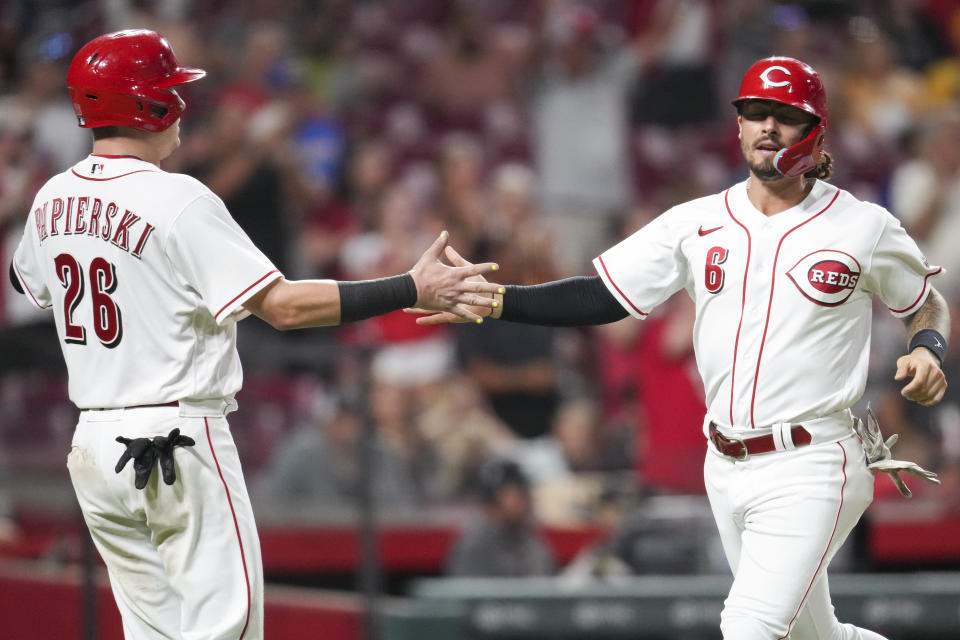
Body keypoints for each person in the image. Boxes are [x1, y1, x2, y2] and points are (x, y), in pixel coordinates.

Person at [414, 57, 949, 639]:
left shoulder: (861, 225)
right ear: (738, 124)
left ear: (815, 130)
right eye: (754, 113)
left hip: (815, 458)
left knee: (747, 627)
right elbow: (600, 298)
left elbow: (925, 300)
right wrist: (492, 300)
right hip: (725, 463)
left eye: (784, 116)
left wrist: (927, 347)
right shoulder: (696, 222)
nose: (766, 127)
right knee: (815, 637)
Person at [7, 30, 501, 640]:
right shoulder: (178, 200)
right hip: (175, 438)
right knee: (227, 632)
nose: (182, 105)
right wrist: (409, 289)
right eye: (170, 92)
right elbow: (285, 308)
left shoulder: (52, 197)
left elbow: (27, 279)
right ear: (147, 107)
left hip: (94, 446)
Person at [445, 457, 555, 577]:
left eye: (523, 494)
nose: (522, 502)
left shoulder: (528, 538)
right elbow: (466, 592)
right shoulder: (475, 545)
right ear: (493, 499)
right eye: (514, 495)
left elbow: (546, 580)